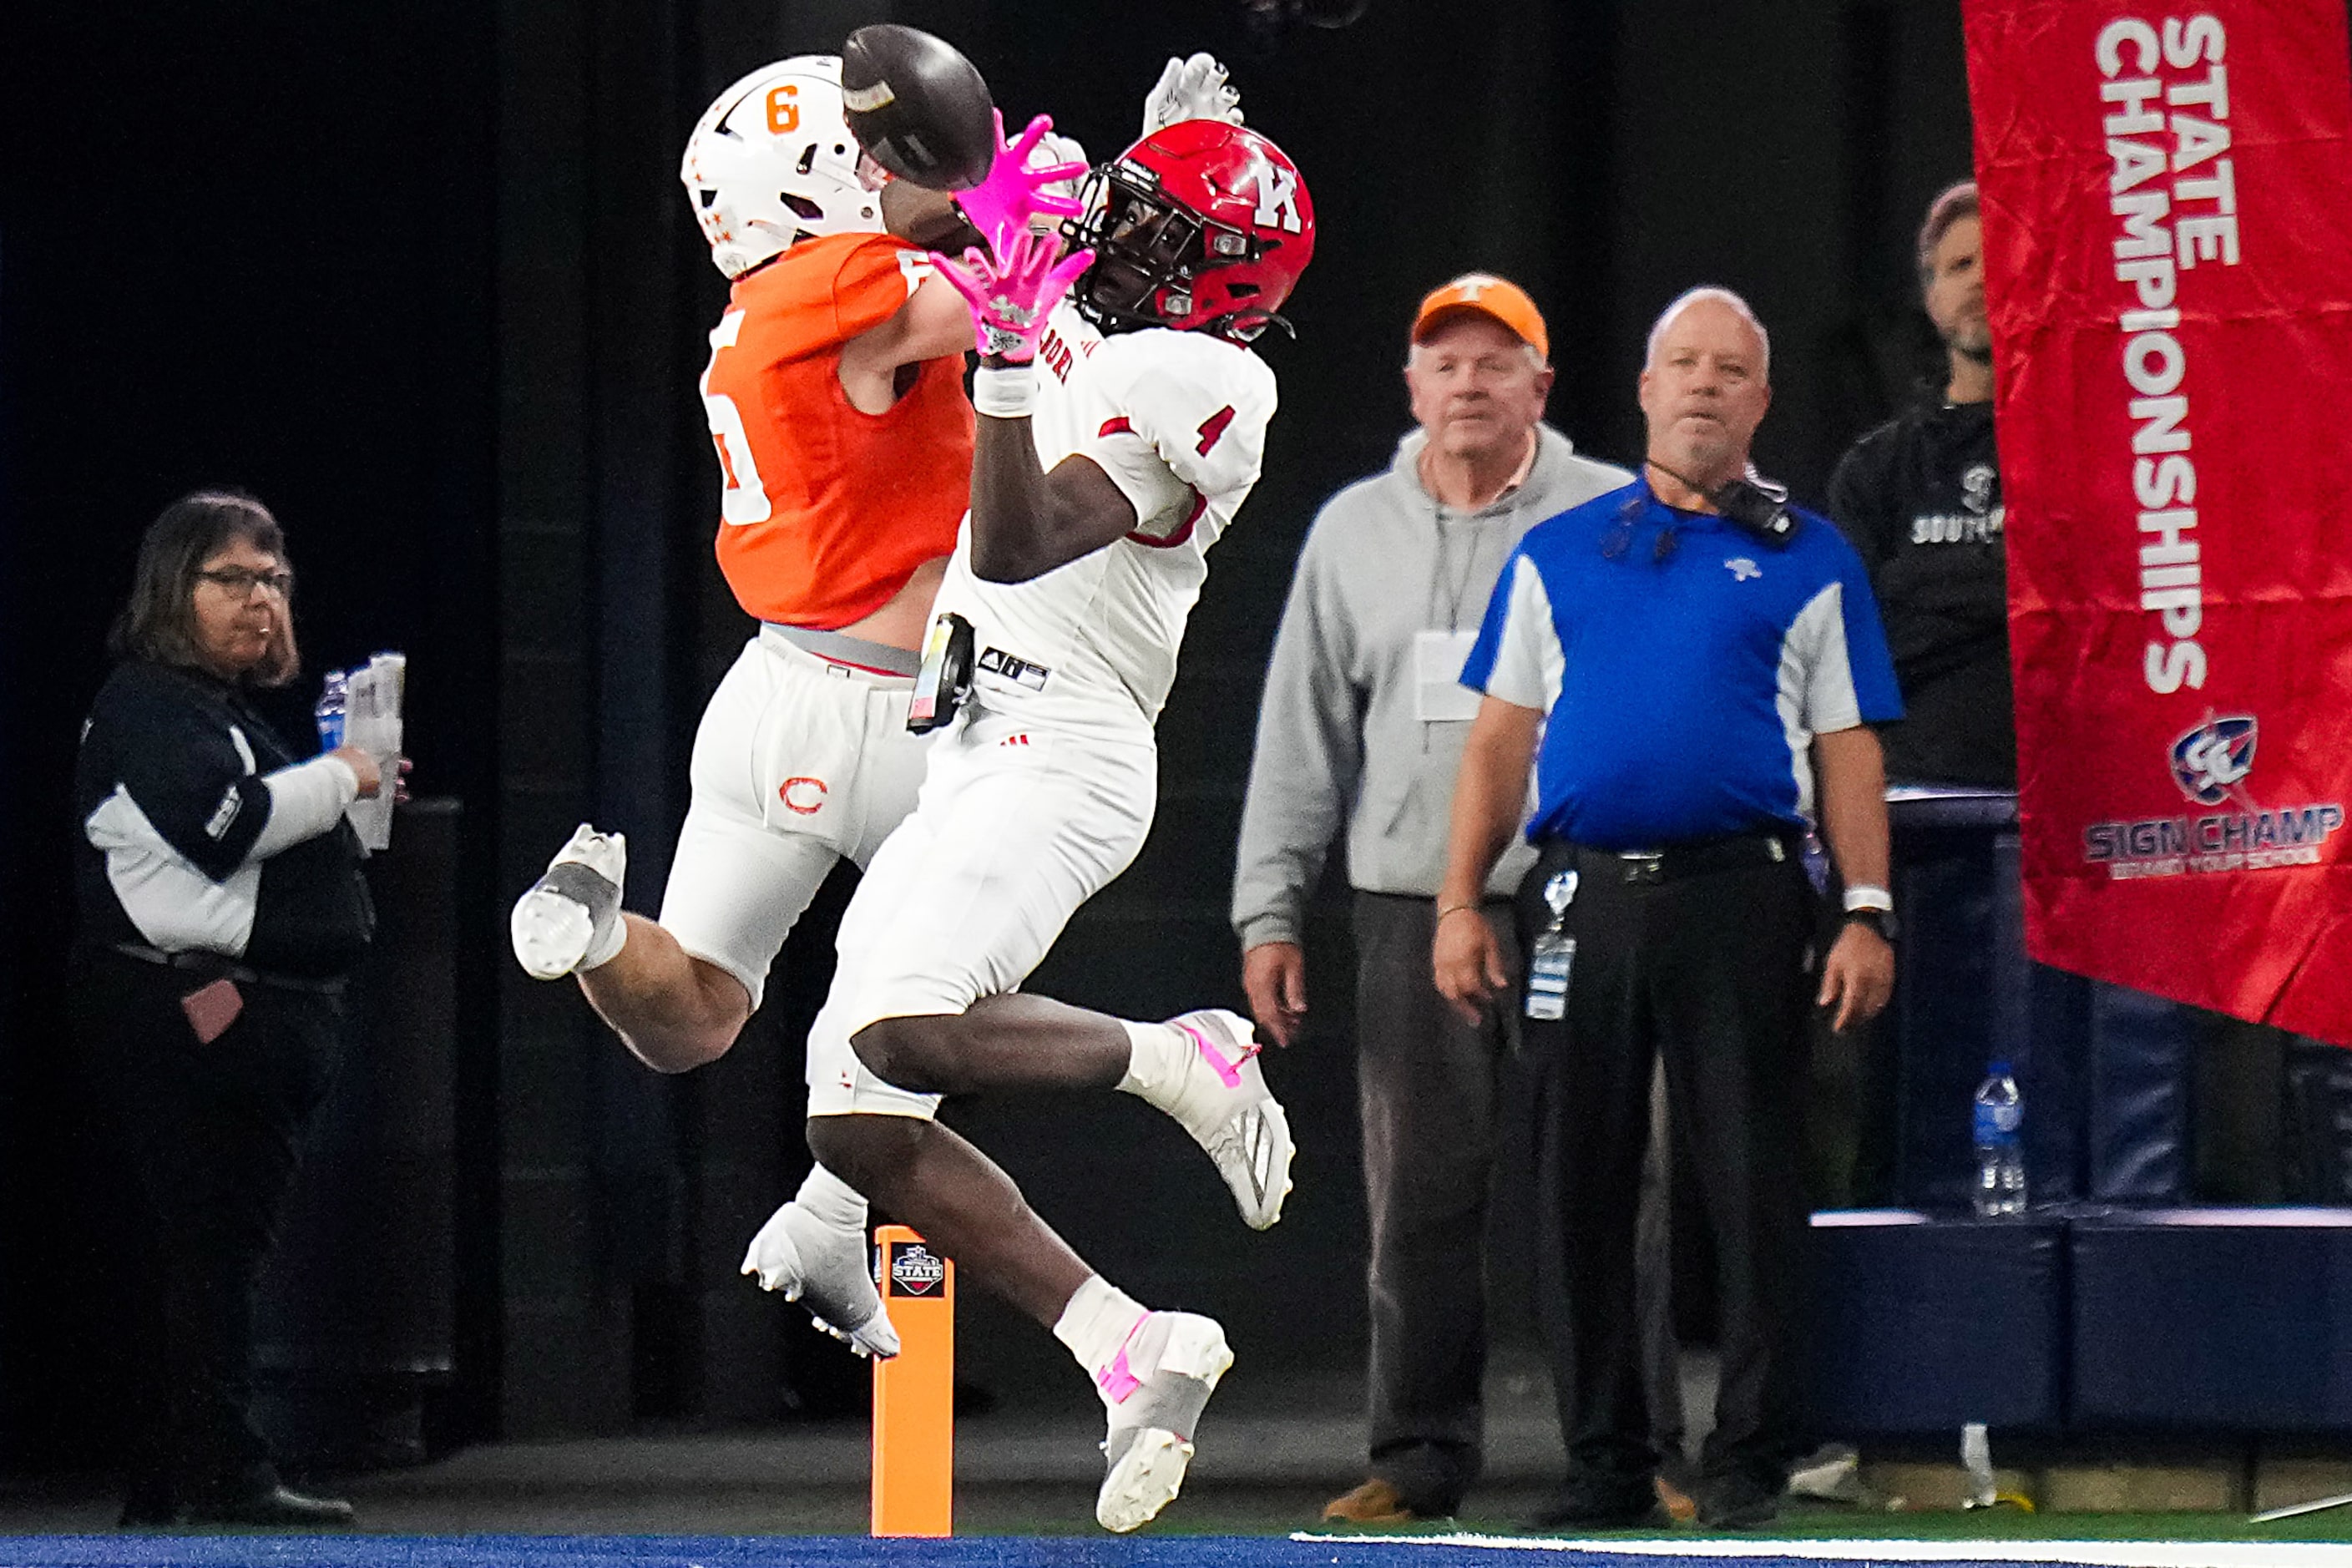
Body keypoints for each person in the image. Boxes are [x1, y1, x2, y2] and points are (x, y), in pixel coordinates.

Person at [506, 52, 1239, 1363]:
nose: (900, 178)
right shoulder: (840, 282)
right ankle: (858, 1202)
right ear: (822, 187)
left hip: (771, 693)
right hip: (926, 711)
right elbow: (1022, 291)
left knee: (699, 1014)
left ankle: (597, 937)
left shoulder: (765, 305)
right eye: (874, 162)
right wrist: (1129, 174)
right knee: (924, 1004)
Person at [751, 111, 1316, 1534]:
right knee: (858, 1123)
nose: (1111, 242)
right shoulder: (1109, 288)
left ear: (1216, 285)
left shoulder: (1205, 382)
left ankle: (1174, 1057)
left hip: (1062, 753)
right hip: (970, 745)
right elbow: (941, 224)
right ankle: (1130, 1344)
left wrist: (1003, 348)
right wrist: (973, 178)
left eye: (1151, 234)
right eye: (1121, 213)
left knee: (898, 1035)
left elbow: (1011, 539)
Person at [1433, 288, 1903, 1530]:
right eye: (1682, 364)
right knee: (1574, 1183)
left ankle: (1750, 1451)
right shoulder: (1559, 551)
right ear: (1643, 389)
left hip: (1741, 894)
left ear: (1759, 400)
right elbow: (1496, 741)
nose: (1703, 384)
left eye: (1730, 369)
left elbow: (1849, 743)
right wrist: (1458, 902)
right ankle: (1603, 1461)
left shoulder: (1811, 555)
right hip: (1580, 897)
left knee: (1751, 1181)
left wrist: (1867, 909)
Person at [1231, 274, 1662, 1524]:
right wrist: (1269, 911)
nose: (1468, 382)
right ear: (1411, 387)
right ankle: (1419, 1452)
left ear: (1542, 385)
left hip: (1583, 895)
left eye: (1496, 361)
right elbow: (1299, 733)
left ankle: (1632, 1452)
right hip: (1410, 905)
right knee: (1416, 1190)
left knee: (1616, 1179)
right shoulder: (1350, 533)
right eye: (1445, 363)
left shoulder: (1612, 517)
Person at [72, 489, 393, 1527]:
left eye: (274, 581)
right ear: (175, 587)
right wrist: (342, 776)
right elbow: (227, 823)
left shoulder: (217, 710)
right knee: (208, 1250)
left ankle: (184, 1479)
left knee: (219, 1253)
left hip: (254, 1020)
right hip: (196, 1014)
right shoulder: (150, 704)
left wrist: (344, 795)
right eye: (232, 579)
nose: (261, 600)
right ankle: (218, 1477)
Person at [1826, 180, 2008, 787]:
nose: (1981, 279)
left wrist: (1915, 582)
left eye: (1999, 256)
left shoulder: (2084, 448)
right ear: (1931, 299)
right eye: (1959, 265)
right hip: (1921, 810)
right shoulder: (1873, 471)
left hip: (2066, 808)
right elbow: (1858, 647)